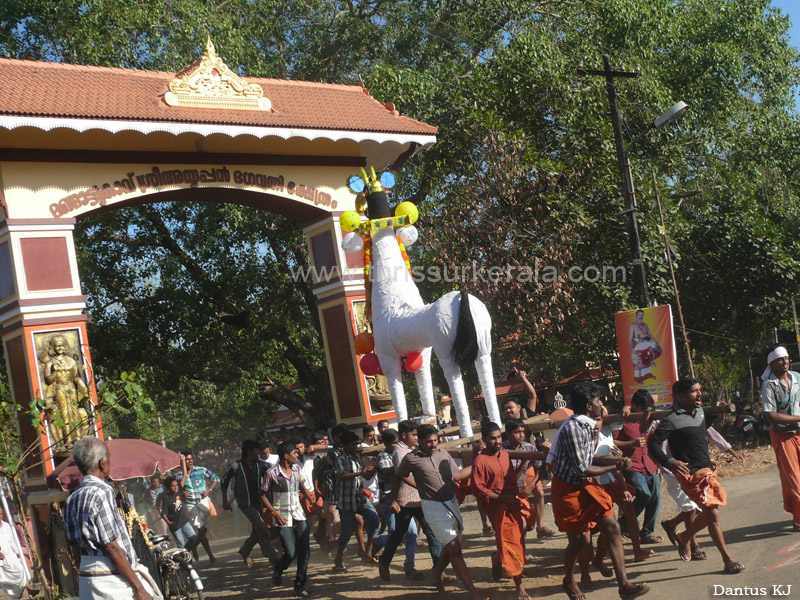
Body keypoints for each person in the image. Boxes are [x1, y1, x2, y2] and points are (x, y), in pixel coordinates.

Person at [548, 383, 648, 600]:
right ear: (588, 405)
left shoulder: (588, 426)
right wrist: (616, 466)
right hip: (569, 490)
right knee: (579, 542)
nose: (602, 405)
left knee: (612, 527)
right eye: (598, 401)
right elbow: (583, 468)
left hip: (586, 485)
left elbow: (587, 459)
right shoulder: (575, 428)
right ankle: (569, 579)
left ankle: (624, 585)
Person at [648, 378, 744, 573]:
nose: (700, 394)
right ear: (681, 396)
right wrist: (670, 462)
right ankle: (727, 560)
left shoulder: (699, 413)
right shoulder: (671, 419)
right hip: (690, 475)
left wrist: (715, 413)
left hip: (707, 470)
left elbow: (701, 428)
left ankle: (683, 536)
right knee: (713, 513)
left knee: (711, 513)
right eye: (694, 391)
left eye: (700, 390)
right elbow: (653, 444)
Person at [391, 424, 487, 600]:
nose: (433, 444)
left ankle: (437, 572)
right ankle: (472, 591)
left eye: (435, 440)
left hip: (451, 503)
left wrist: (479, 464)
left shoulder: (443, 454)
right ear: (419, 441)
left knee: (452, 546)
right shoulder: (411, 459)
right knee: (454, 547)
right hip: (432, 507)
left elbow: (457, 476)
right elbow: (399, 475)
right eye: (429, 441)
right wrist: (395, 498)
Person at [64, 436, 160, 600]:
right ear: (102, 463)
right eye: (109, 460)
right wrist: (139, 588)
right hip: (111, 579)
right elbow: (111, 546)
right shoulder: (102, 492)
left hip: (87, 577)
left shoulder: (72, 498)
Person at [472, 421, 542, 600]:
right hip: (497, 507)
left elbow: (512, 479)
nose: (496, 441)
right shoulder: (480, 460)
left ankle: (498, 557)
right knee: (511, 541)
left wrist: (524, 464)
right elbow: (479, 490)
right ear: (485, 440)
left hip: (513, 501)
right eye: (492, 438)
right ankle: (520, 587)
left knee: (522, 529)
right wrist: (502, 498)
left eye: (498, 437)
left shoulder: (504, 455)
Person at [378, 422, 443, 582]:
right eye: (414, 435)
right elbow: (401, 476)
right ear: (404, 435)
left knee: (431, 532)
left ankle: (438, 570)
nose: (416, 438)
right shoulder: (400, 452)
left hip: (418, 499)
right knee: (399, 534)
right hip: (405, 500)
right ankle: (385, 561)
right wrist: (421, 486)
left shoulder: (411, 450)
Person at [261, 442, 314, 598]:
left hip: (298, 514)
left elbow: (302, 485)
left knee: (304, 551)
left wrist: (310, 500)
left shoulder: (297, 469)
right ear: (286, 456)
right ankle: (278, 569)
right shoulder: (272, 473)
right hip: (282, 517)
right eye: (294, 453)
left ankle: (299, 584)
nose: (297, 455)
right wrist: (274, 513)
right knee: (290, 553)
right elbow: (262, 494)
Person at [613, 390, 662, 545]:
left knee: (655, 498)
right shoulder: (622, 420)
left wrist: (658, 463)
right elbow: (611, 442)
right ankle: (624, 522)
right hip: (631, 464)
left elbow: (654, 442)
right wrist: (631, 444)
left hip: (649, 463)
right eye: (642, 408)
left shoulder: (649, 418)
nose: (644, 411)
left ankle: (647, 533)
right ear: (633, 405)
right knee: (644, 494)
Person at [221, 439, 279, 568]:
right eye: (256, 450)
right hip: (245, 503)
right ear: (249, 452)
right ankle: (274, 559)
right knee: (263, 530)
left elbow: (274, 477)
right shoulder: (236, 466)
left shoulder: (261, 465)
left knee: (258, 530)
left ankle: (245, 549)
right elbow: (224, 482)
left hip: (259, 502)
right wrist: (225, 501)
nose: (259, 453)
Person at [760, 345, 800, 531]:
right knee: (793, 479)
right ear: (772, 364)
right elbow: (771, 415)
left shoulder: (797, 378)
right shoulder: (769, 385)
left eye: (786, 358)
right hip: (783, 436)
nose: (784, 363)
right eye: (779, 360)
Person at [333, 431, 380, 572]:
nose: (355, 447)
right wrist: (360, 473)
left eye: (356, 444)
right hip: (346, 500)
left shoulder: (357, 457)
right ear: (344, 445)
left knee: (374, 519)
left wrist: (373, 469)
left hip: (359, 497)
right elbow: (342, 475)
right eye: (352, 444)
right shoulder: (341, 458)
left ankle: (368, 553)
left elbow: (364, 477)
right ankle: (338, 558)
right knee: (346, 533)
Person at [501, 418, 554, 539]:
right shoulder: (502, 451)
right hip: (509, 488)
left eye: (522, 432)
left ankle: (540, 526)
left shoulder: (529, 448)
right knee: (518, 522)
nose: (521, 435)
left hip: (526, 481)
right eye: (517, 432)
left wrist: (531, 485)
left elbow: (539, 468)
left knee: (538, 494)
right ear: (508, 434)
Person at [177, 450, 219, 563]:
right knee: (202, 529)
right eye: (187, 459)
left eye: (191, 459)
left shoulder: (201, 470)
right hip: (190, 504)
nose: (189, 461)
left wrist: (208, 491)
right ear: (182, 461)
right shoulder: (179, 476)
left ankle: (193, 546)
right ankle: (210, 555)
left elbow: (216, 478)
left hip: (203, 502)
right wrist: (182, 494)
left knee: (203, 531)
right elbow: (176, 492)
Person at [313, 424, 348, 546]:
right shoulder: (331, 454)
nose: (341, 439)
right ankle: (330, 542)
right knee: (337, 522)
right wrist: (316, 489)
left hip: (347, 493)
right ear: (334, 438)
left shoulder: (351, 451)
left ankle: (333, 542)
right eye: (338, 437)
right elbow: (315, 471)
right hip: (332, 494)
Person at [0, 506, 34, 599]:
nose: (0, 516)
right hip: (1, 562)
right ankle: (26, 589)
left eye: (1, 514)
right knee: (5, 581)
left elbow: (12, 541)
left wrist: (18, 552)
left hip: (11, 556)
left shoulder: (6, 525)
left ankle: (27, 588)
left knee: (20, 572)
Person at [160, 475, 198, 551]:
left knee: (194, 538)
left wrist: (183, 462)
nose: (175, 487)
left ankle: (185, 552)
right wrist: (169, 523)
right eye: (172, 486)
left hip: (184, 521)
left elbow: (184, 476)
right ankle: (185, 558)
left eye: (176, 485)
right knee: (181, 544)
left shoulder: (179, 490)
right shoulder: (166, 498)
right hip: (175, 525)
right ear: (168, 488)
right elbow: (163, 512)